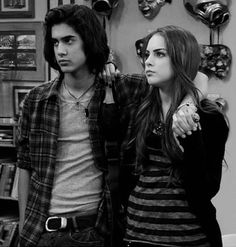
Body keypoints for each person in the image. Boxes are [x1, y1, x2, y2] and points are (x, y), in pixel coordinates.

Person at [109, 25, 229, 247]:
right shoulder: (140, 109)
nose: (148, 62)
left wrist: (189, 135)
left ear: (181, 59)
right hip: (135, 236)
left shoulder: (209, 117)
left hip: (188, 238)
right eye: (147, 55)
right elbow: (130, 175)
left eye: (160, 54)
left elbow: (205, 189)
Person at [17, 4, 115, 247]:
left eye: (69, 40)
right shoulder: (36, 99)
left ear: (89, 40)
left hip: (93, 229)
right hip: (43, 232)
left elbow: (192, 76)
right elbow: (25, 167)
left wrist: (187, 106)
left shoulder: (116, 89)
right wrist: (24, 231)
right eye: (55, 42)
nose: (60, 50)